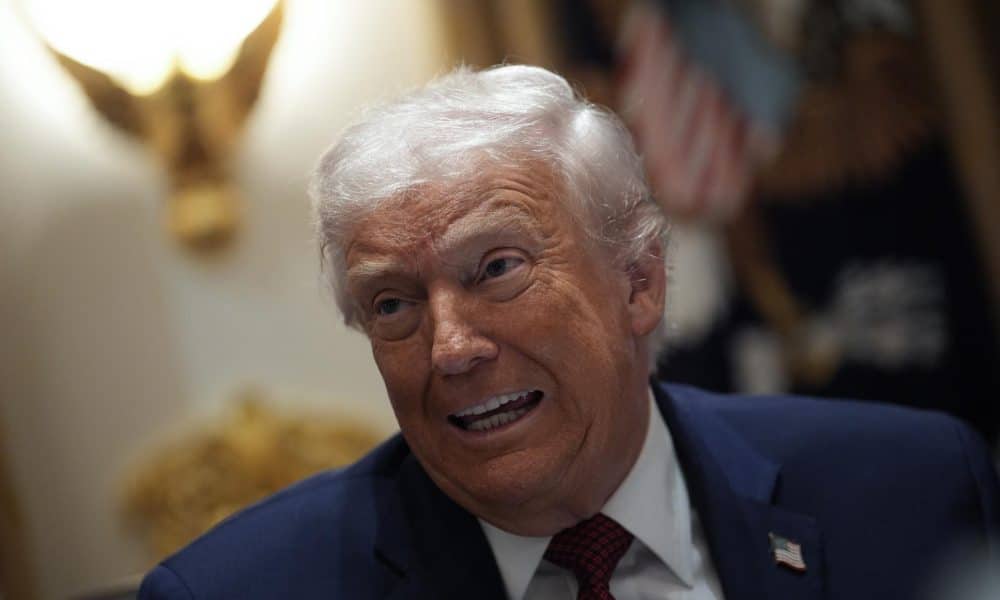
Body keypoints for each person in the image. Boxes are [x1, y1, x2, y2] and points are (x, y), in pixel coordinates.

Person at [138, 65, 999, 600]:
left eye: (496, 269)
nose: (451, 348)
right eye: (393, 305)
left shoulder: (913, 487)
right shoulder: (240, 591)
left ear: (640, 282)